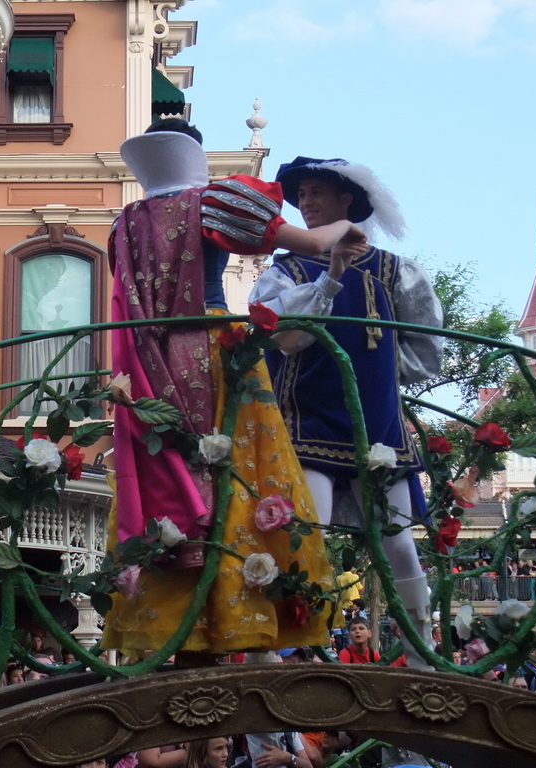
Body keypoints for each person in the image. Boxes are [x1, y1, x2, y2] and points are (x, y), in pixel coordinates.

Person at [103, 120, 366, 658]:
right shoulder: (212, 200)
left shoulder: (124, 224)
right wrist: (346, 230)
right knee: (242, 469)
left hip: (150, 367)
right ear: (192, 155)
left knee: (173, 474)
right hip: (215, 355)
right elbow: (313, 241)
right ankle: (240, 617)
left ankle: (181, 623)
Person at [249, 156, 444, 668]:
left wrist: (381, 373)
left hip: (375, 428)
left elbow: (424, 351)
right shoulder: (285, 271)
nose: (306, 203)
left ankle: (422, 660)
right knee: (300, 537)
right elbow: (281, 335)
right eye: (303, 195)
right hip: (306, 423)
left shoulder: (393, 270)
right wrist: (330, 277)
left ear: (347, 203)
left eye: (316, 193)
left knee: (399, 544)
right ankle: (277, 655)